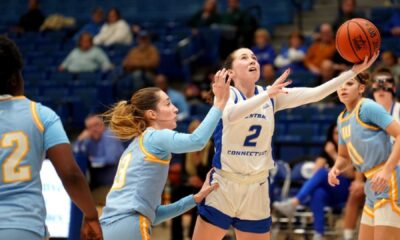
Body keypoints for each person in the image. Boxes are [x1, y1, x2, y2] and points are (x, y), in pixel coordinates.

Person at [192, 47, 377, 240]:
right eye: (244, 58)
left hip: (257, 186)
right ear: (230, 72)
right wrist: (267, 95)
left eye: (254, 57)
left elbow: (316, 93)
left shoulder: (270, 95)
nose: (252, 60)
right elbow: (231, 115)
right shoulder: (226, 93)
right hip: (224, 184)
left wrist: (352, 71)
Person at [99, 66, 234, 239]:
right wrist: (219, 104)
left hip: (111, 225)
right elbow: (197, 141)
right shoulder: (155, 137)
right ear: (152, 114)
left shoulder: (137, 143)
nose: (176, 109)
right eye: (168, 103)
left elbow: (154, 215)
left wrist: (195, 198)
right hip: (129, 222)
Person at [0, 36, 102, 239]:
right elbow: (71, 175)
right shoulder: (41, 115)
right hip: (22, 225)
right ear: (14, 79)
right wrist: (91, 215)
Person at [328, 66, 400, 240]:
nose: (343, 88)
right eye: (340, 84)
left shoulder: (367, 107)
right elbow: (344, 157)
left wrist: (387, 170)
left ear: (361, 89)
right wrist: (336, 168)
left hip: (388, 178)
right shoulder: (341, 118)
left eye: (349, 83)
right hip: (371, 183)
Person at [273, 114, 354, 240]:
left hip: (344, 191)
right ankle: (318, 234)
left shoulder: (351, 149)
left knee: (322, 173)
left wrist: (333, 154)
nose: (337, 136)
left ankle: (295, 202)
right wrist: (326, 158)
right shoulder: (325, 150)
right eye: (335, 133)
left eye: (340, 133)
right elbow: (315, 173)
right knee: (318, 192)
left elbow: (351, 174)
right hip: (328, 192)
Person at [75, 114, 125, 209]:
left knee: (84, 204)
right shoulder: (89, 139)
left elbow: (111, 159)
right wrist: (79, 140)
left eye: (96, 125)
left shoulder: (109, 135)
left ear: (103, 125)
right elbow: (77, 152)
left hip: (113, 185)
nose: (94, 129)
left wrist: (92, 160)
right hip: (96, 184)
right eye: (90, 127)